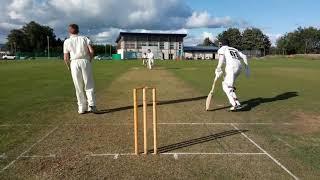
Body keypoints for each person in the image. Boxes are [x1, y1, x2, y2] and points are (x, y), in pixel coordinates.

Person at [63, 24, 97, 114]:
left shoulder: (67, 41)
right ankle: (92, 105)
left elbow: (66, 57)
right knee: (88, 83)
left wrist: (68, 66)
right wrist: (89, 60)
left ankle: (81, 108)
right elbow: (91, 51)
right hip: (85, 61)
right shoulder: (84, 38)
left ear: (69, 31)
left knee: (78, 86)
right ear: (78, 30)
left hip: (74, 63)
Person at [215, 40, 250, 111]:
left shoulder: (222, 49)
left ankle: (235, 104)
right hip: (239, 68)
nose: (219, 45)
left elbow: (221, 60)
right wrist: (247, 68)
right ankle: (237, 103)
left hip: (231, 68)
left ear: (222, 44)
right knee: (229, 86)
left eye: (220, 44)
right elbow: (244, 56)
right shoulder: (234, 49)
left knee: (225, 86)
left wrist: (218, 68)